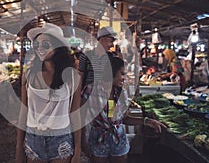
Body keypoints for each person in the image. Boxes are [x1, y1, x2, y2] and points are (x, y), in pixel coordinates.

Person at [16, 23, 82, 163]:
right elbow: (23, 111)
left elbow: (75, 113)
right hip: (33, 138)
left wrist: (78, 149)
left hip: (61, 139)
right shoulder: (28, 75)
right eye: (37, 45)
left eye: (45, 45)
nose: (40, 48)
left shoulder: (72, 76)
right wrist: (18, 147)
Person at [82, 56, 167, 163]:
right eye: (122, 74)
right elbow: (80, 118)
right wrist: (82, 143)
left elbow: (124, 119)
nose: (124, 78)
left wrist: (147, 121)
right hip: (98, 138)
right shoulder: (91, 90)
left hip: (118, 137)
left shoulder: (121, 92)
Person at [78, 26, 117, 156]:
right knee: (89, 126)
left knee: (109, 121)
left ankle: (108, 145)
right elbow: (80, 77)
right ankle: (89, 150)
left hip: (108, 97)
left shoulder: (112, 57)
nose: (112, 45)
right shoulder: (86, 56)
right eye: (110, 41)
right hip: (88, 97)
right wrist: (77, 99)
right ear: (102, 39)